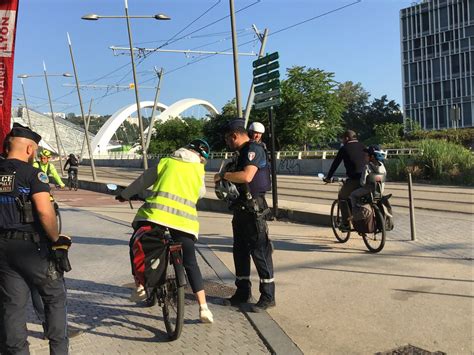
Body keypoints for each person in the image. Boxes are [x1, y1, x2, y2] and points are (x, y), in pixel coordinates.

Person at [116, 139, 214, 323]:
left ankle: (141, 286)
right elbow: (200, 193)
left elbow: (142, 181)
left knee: (136, 243)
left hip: (156, 218)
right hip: (185, 223)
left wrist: (124, 195)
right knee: (191, 262)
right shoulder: (199, 170)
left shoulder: (166, 162)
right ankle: (204, 308)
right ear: (201, 157)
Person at [0, 123, 72, 354]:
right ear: (30, 149)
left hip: (3, 250)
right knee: (55, 298)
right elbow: (43, 210)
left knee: (13, 306)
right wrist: (55, 239)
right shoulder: (33, 174)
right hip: (32, 248)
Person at [214, 119, 275, 312]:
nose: (227, 142)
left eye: (227, 138)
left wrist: (223, 176)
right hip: (240, 209)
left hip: (254, 210)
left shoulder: (254, 150)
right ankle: (242, 292)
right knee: (239, 252)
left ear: (234, 135)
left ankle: (268, 295)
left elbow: (247, 176)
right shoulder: (239, 153)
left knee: (260, 253)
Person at [324, 130, 366, 231]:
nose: (342, 141)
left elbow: (335, 164)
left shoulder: (344, 148)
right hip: (366, 179)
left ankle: (346, 224)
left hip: (354, 180)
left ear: (347, 138)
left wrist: (328, 177)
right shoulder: (363, 146)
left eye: (342, 139)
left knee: (342, 197)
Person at [349, 145, 387, 209]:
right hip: (380, 192)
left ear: (372, 156)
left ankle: (355, 212)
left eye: (367, 155)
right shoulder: (382, 166)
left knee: (353, 195)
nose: (365, 157)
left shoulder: (367, 167)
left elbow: (362, 183)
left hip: (369, 191)